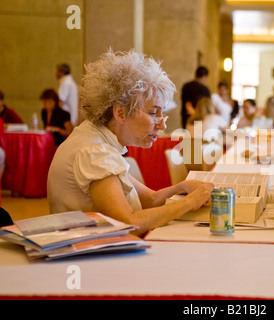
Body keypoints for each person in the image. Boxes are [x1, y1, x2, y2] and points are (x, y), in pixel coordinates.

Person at [47, 49, 213, 237]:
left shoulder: (95, 137)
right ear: (120, 113)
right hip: (93, 257)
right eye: (153, 113)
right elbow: (127, 223)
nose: (163, 123)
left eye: (162, 112)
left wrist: (182, 187)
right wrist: (189, 202)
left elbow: (151, 199)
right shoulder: (95, 151)